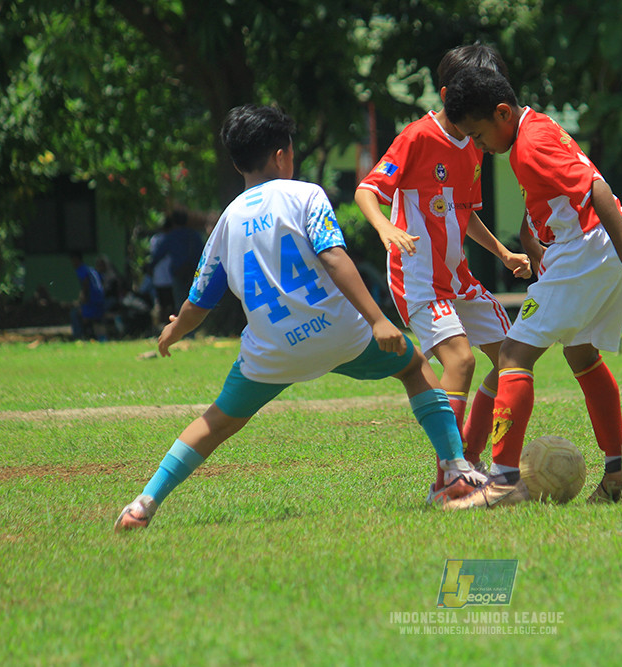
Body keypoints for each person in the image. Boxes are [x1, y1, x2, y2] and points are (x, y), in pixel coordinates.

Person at [114, 104, 486, 532]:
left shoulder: (226, 222)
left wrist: (173, 332)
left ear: (236, 163)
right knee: (415, 366)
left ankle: (143, 504)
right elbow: (333, 256)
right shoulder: (306, 194)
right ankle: (455, 470)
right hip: (341, 335)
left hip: (272, 350)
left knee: (214, 423)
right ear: (281, 155)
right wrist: (378, 320)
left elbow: (200, 301)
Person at [440, 67, 622, 509]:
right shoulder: (537, 126)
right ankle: (621, 470)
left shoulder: (527, 147)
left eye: (479, 133)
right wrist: (532, 237)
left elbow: (596, 188)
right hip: (595, 246)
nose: (479, 145)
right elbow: (557, 188)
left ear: (502, 112)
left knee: (513, 354)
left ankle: (504, 482)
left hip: (588, 247)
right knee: (580, 353)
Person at [355, 43, 531, 502]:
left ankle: (467, 461)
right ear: (451, 93)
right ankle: (447, 479)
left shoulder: (473, 144)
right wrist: (385, 227)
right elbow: (367, 191)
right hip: (417, 277)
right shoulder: (417, 136)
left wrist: (502, 252)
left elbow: (466, 212)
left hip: (460, 280)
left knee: (513, 356)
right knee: (461, 362)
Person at [69, 251, 107, 341]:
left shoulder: (81, 269)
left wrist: (84, 299)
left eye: (73, 260)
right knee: (97, 321)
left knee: (75, 314)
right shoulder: (91, 270)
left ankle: (79, 337)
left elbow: (85, 284)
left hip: (92, 301)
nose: (72, 263)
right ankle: (101, 339)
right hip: (100, 300)